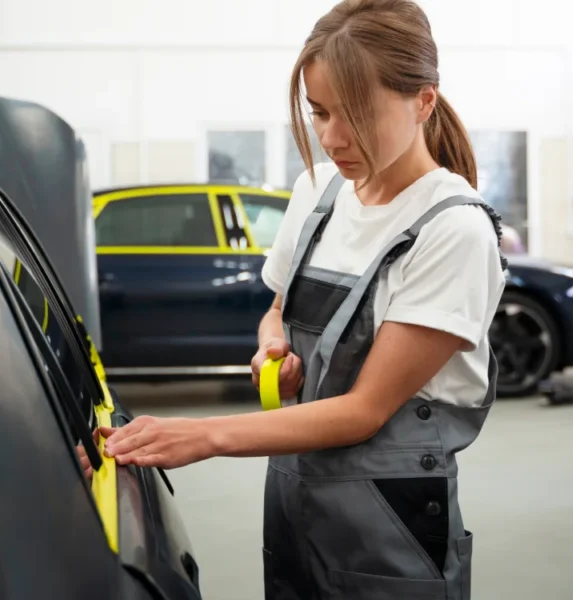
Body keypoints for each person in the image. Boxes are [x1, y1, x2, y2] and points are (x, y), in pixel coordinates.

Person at [96, 0, 507, 597]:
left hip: (390, 519)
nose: (333, 138)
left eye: (358, 114)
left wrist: (203, 436)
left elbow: (366, 409)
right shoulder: (317, 192)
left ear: (424, 101)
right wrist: (273, 346)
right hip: (294, 497)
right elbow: (277, 309)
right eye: (319, 112)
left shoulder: (452, 229)